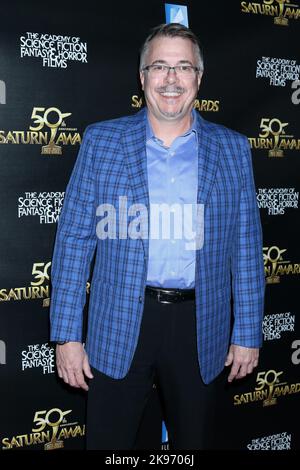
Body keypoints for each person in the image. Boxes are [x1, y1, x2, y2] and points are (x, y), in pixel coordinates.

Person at [50, 23, 265, 450]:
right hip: (118, 322)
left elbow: (246, 247)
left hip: (201, 327)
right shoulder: (102, 141)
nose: (171, 79)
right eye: (160, 67)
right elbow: (74, 241)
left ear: (199, 79)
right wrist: (67, 335)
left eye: (183, 67)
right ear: (143, 77)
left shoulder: (233, 148)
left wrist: (247, 333)